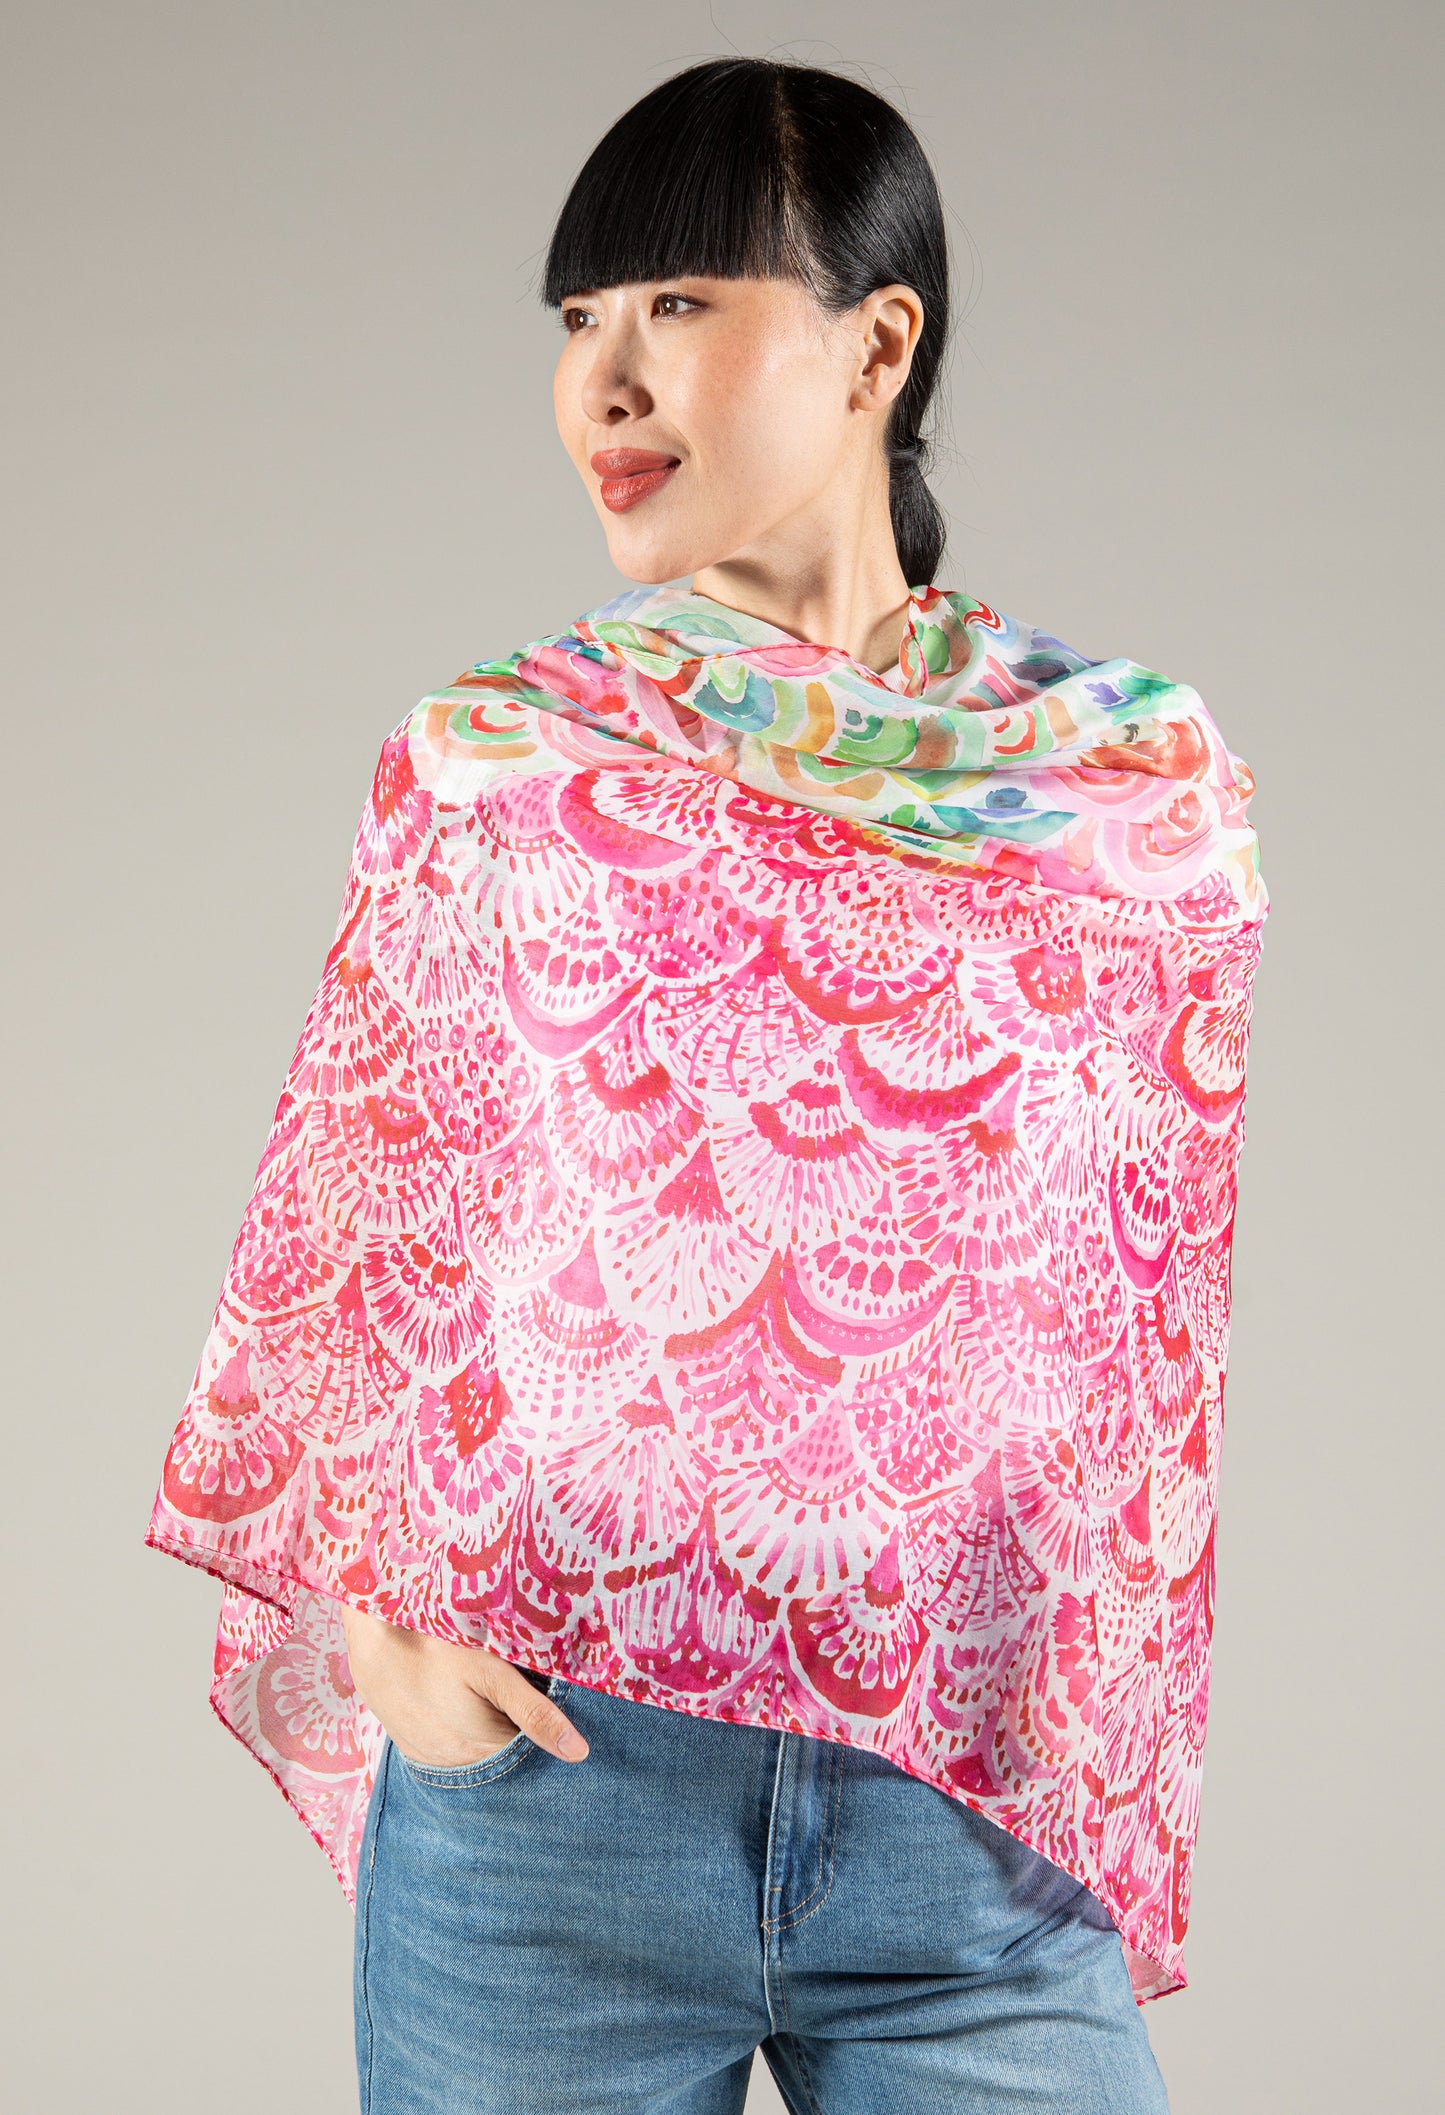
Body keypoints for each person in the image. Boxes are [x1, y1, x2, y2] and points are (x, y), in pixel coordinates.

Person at [147, 56, 1266, 2115]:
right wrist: (387, 1622)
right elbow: (359, 1216)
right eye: (580, 318)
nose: (607, 379)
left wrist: (1074, 1705)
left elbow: (1135, 1319)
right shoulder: (504, 762)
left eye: (678, 302)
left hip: (969, 1810)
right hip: (556, 1793)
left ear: (876, 345)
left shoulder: (1123, 784)